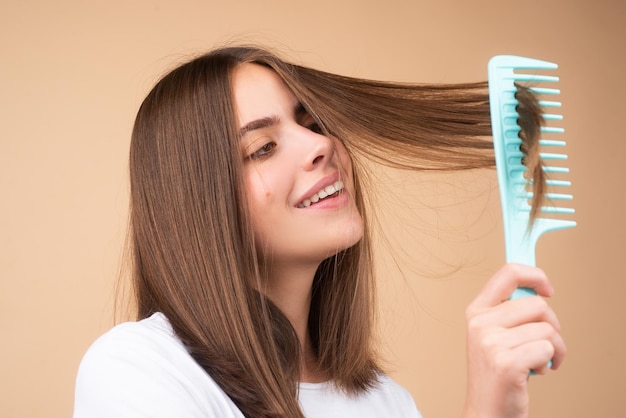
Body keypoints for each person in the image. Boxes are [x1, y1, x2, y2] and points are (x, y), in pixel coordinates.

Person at [73, 46, 565, 418]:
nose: (320, 144)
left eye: (311, 122)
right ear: (196, 204)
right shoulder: (139, 369)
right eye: (263, 147)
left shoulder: (388, 404)